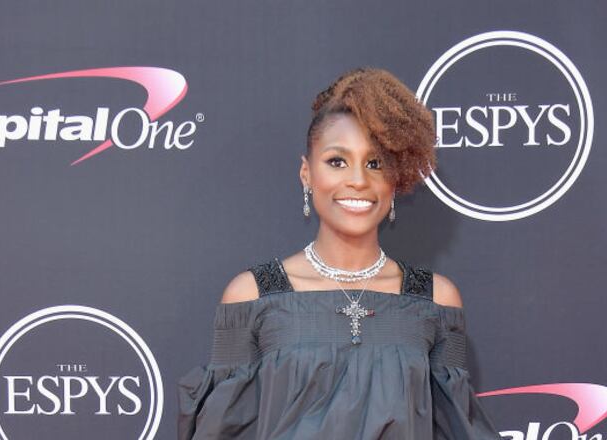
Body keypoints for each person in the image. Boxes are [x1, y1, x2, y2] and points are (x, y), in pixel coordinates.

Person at [178, 67, 501, 439]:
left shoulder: (435, 300)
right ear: (306, 173)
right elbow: (222, 431)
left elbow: (456, 431)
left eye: (375, 163)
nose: (358, 180)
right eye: (337, 161)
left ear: (395, 179)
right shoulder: (252, 295)